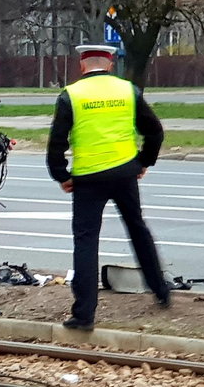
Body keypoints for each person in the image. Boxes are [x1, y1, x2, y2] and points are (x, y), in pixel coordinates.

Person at [46, 45, 171, 331]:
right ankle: (161, 291)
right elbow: (155, 130)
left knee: (86, 241)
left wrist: (61, 175)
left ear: (81, 64)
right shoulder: (128, 91)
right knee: (137, 229)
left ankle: (84, 314)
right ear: (111, 63)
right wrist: (143, 161)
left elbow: (57, 142)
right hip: (124, 172)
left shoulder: (71, 96)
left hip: (88, 178)